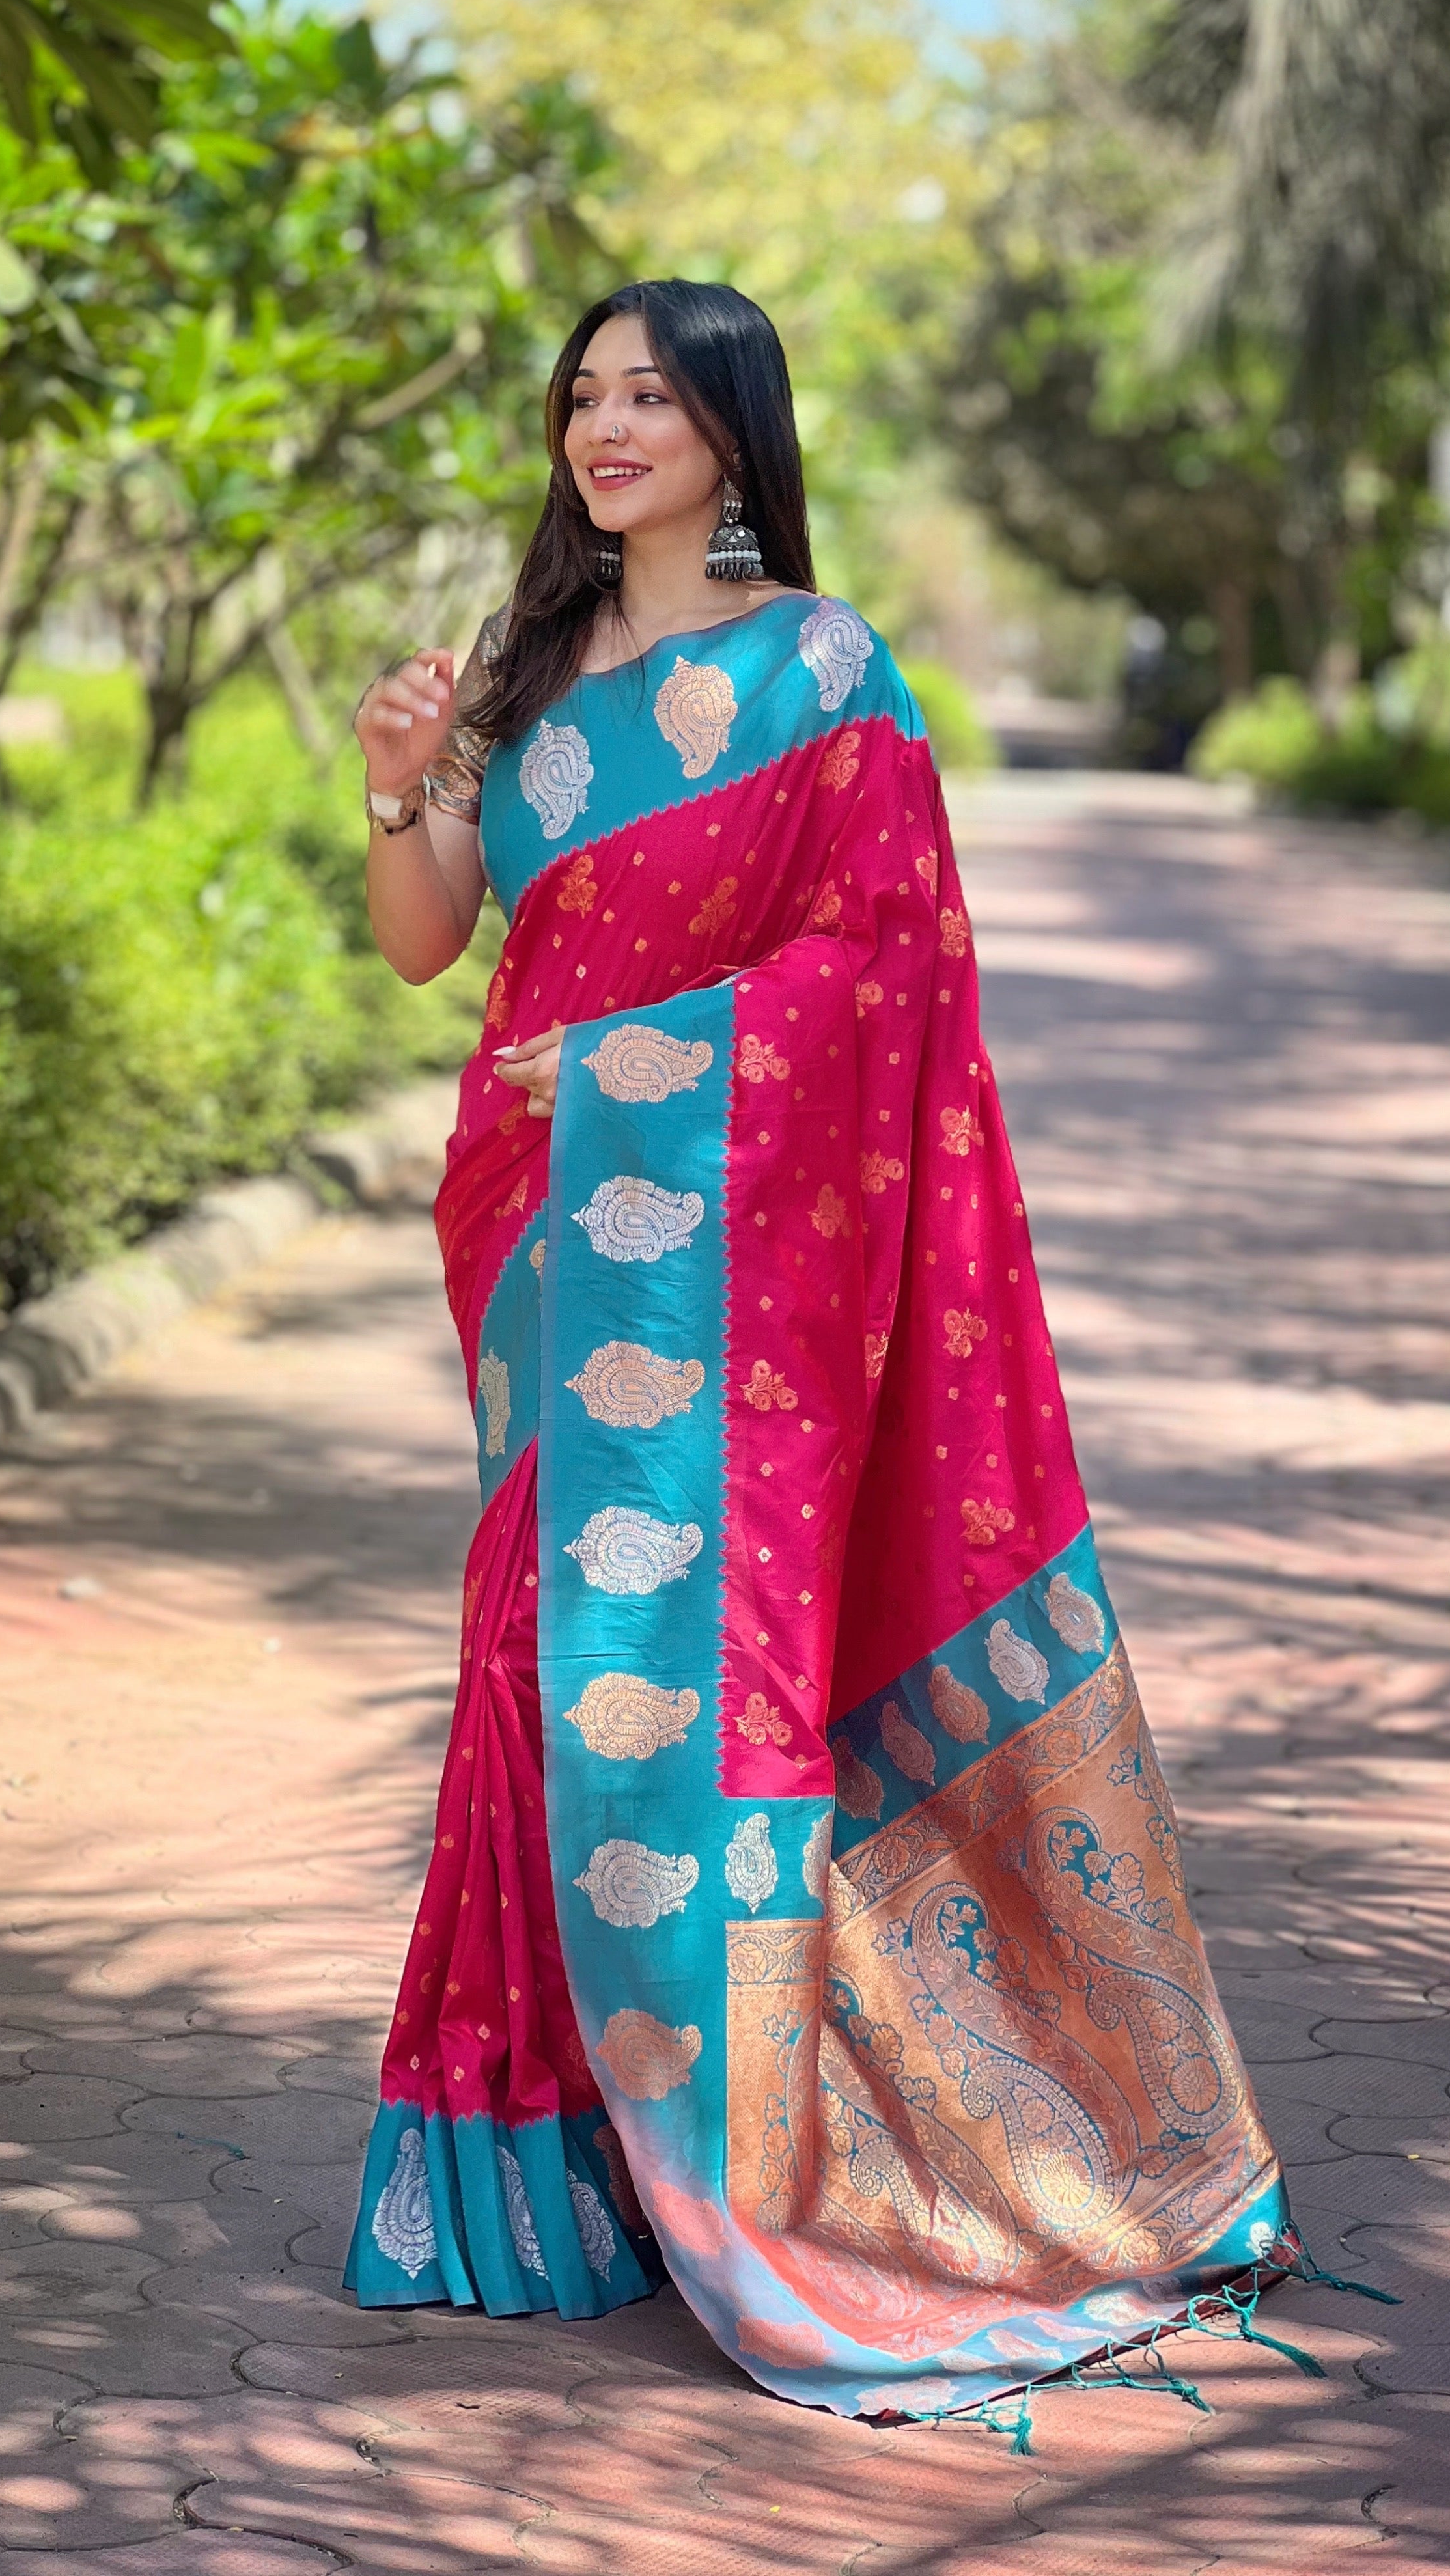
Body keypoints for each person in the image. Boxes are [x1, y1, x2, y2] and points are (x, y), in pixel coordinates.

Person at [342, 277, 1290, 2420]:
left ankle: (740, 2158)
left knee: (684, 1681)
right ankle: (523, 2179)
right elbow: (430, 957)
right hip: (539, 1241)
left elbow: (883, 973)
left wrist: (631, 1061)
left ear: (735, 428)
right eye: (582, 396)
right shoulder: (530, 676)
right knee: (524, 1660)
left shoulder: (827, 673)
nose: (606, 428)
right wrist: (401, 787)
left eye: (652, 395)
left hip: (734, 1269)